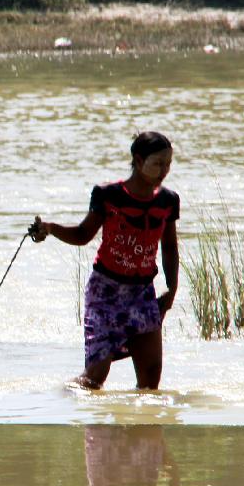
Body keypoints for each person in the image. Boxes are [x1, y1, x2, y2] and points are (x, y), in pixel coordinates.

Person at [32, 132, 179, 389]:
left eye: (168, 163)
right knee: (94, 377)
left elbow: (169, 247)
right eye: (157, 163)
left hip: (142, 293)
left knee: (150, 380)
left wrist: (172, 289)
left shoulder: (168, 201)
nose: (164, 170)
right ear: (138, 160)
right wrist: (51, 228)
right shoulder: (108, 195)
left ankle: (142, 428)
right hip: (105, 292)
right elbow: (82, 234)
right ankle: (55, 399)